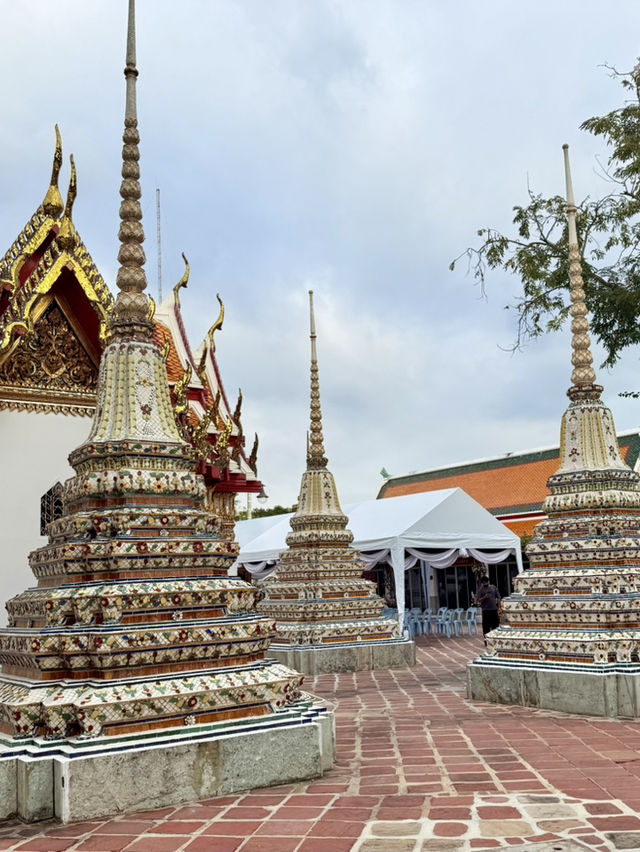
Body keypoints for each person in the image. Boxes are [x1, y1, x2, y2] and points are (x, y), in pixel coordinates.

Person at [476, 575, 500, 645]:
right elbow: (478, 601)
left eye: (486, 582)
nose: (485, 584)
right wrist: (485, 597)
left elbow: (498, 597)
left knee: (495, 626)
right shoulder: (480, 590)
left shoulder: (493, 588)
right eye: (483, 583)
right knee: (486, 627)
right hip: (485, 611)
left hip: (494, 610)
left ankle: (496, 640)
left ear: (488, 581)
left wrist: (499, 607)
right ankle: (487, 640)